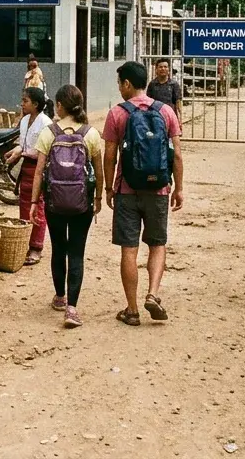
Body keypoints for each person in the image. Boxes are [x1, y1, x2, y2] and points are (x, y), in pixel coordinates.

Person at [102, 60, 184, 327]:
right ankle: (153, 294)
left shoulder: (117, 113)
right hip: (159, 189)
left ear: (127, 83)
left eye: (119, 83)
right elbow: (177, 155)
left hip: (127, 190)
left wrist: (109, 188)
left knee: (129, 249)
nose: (119, 88)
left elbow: (110, 155)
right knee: (157, 244)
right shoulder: (166, 112)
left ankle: (132, 310)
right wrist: (178, 188)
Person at [32, 85, 105, 328]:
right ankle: (72, 308)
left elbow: (39, 172)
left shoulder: (49, 133)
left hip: (54, 203)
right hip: (82, 203)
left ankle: (59, 297)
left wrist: (34, 202)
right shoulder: (90, 134)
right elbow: (99, 172)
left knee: (58, 249)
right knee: (76, 252)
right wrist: (98, 198)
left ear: (60, 106)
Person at [6, 87, 53, 265]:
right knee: (24, 205)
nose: (22, 104)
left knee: (38, 206)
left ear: (36, 104)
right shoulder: (25, 120)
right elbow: (23, 144)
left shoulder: (45, 123)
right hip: (26, 168)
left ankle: (36, 247)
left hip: (39, 168)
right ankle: (26, 242)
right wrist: (15, 152)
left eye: (25, 101)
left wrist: (23, 153)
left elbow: (44, 151)